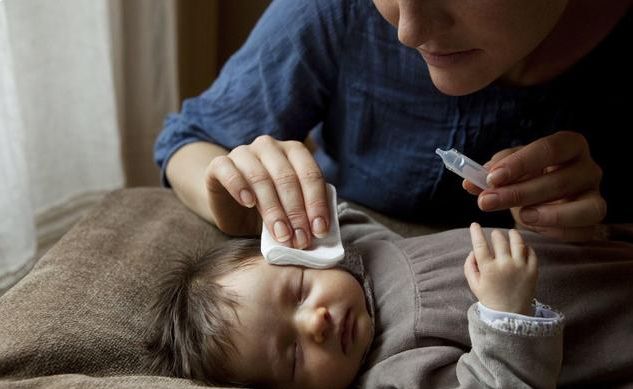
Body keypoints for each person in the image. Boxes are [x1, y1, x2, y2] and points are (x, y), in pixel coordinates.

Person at [155, 0, 631, 248]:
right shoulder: (337, 11)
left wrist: (597, 228)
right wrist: (229, 190)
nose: (408, 32)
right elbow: (189, 140)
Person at [144, 205, 633, 388]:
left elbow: (319, 207)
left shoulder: (361, 253)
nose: (314, 323)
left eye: (297, 290)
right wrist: (505, 313)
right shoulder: (392, 372)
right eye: (292, 356)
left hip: (601, 249)